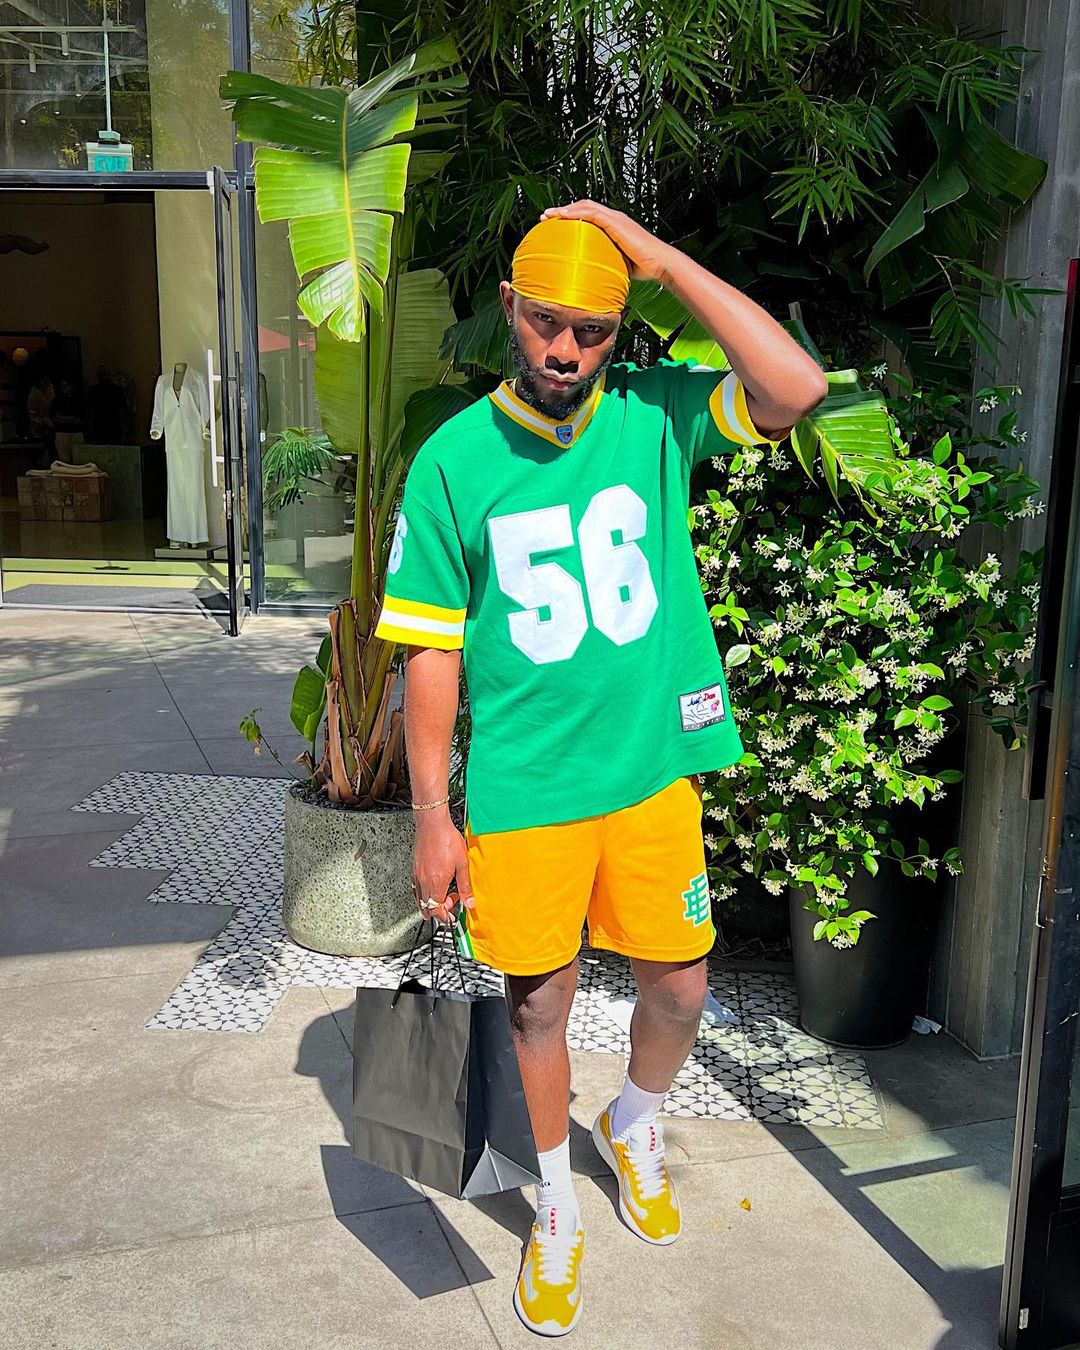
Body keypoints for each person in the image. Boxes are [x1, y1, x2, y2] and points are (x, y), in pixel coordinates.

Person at [373, 201, 827, 1337]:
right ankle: (557, 1204)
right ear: (508, 310)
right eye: (545, 322)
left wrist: (662, 260)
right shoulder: (452, 461)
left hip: (651, 771)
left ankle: (633, 1120)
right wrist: (432, 814)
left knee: (681, 987)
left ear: (621, 333)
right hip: (528, 787)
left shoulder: (657, 415)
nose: (566, 350)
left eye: (593, 330)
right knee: (539, 1006)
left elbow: (795, 387)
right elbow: (430, 651)